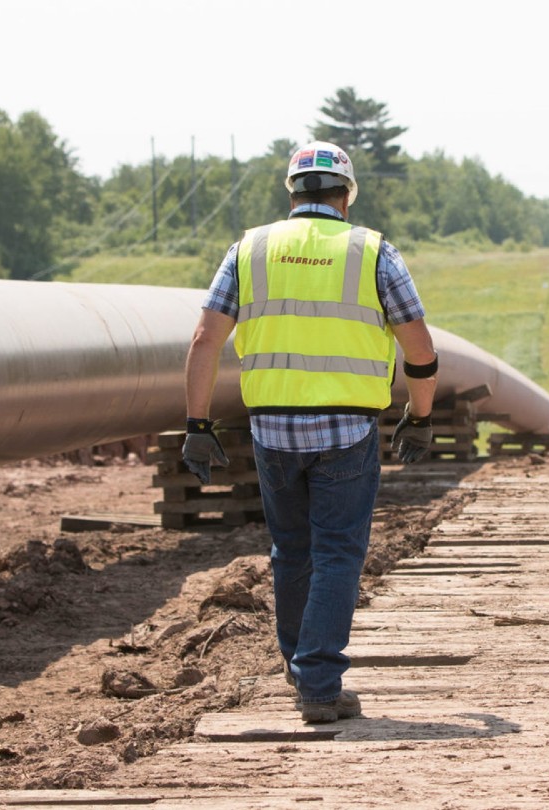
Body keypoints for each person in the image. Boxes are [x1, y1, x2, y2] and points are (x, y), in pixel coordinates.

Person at [181, 140, 438, 724]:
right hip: (347, 429)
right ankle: (319, 684)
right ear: (346, 194)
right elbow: (419, 348)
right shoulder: (373, 252)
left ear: (292, 193)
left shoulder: (249, 249)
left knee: (291, 551)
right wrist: (421, 417)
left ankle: (303, 675)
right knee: (338, 552)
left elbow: (204, 341)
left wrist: (197, 424)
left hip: (271, 430)